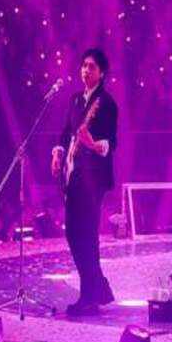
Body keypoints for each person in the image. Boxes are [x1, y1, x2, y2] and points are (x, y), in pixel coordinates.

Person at [51, 48, 118, 316]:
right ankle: (98, 289)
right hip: (74, 175)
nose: (86, 70)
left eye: (91, 66)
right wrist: (57, 153)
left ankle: (89, 296)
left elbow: (111, 143)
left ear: (102, 73)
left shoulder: (107, 104)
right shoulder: (76, 100)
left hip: (93, 179)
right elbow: (66, 132)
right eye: (84, 66)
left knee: (86, 236)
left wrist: (92, 144)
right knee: (73, 234)